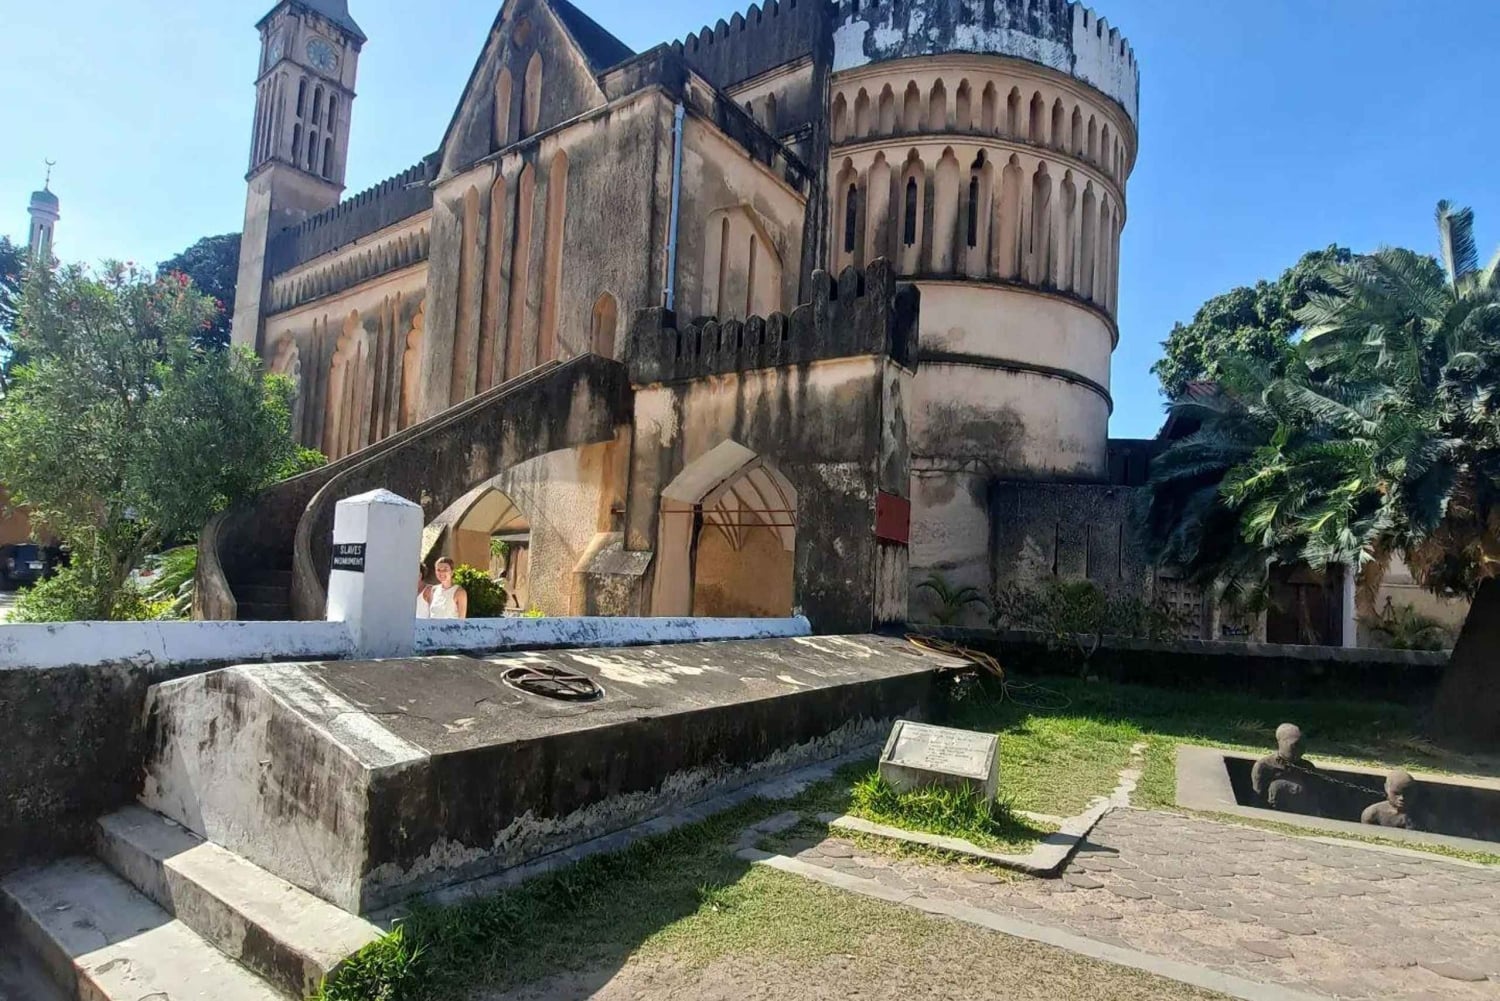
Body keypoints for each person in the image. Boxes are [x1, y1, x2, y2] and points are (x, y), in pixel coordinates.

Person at [1251, 723, 1320, 813]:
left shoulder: (1307, 767)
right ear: (1281, 742)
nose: (1300, 750)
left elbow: (1313, 799)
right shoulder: (1264, 766)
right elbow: (1258, 798)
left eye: (1303, 746)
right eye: (1295, 745)